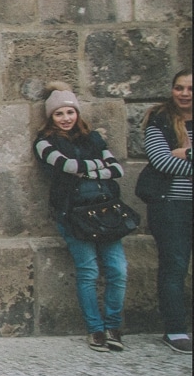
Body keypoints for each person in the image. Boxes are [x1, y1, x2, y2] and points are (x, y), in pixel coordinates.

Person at [34, 83, 128, 352]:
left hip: (105, 210)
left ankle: (113, 326)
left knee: (118, 270)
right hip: (72, 212)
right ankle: (95, 329)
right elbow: (66, 166)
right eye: (59, 114)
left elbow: (117, 169)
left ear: (77, 113)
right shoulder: (44, 143)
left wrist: (86, 171)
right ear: (51, 117)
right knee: (88, 270)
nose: (66, 118)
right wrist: (99, 166)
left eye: (70, 112)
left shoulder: (94, 138)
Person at [138, 69, 193, 354]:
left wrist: (187, 153)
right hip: (170, 205)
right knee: (174, 266)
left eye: (190, 88)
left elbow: (178, 159)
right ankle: (174, 330)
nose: (184, 93)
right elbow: (161, 160)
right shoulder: (159, 119)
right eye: (179, 88)